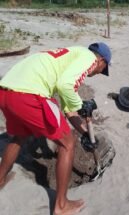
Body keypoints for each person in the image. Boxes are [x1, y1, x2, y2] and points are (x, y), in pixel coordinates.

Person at [0, 42, 111, 215]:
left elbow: (68, 110)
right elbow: (65, 85)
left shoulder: (69, 57)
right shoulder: (88, 58)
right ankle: (61, 205)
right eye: (101, 70)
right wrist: (81, 104)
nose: (97, 73)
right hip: (30, 94)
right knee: (67, 144)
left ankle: (0, 179)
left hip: (7, 92)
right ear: (101, 61)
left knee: (20, 136)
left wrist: (85, 134)